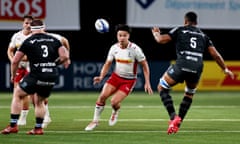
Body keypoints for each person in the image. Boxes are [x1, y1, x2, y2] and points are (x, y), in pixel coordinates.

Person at [151, 11, 235, 134]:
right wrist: (225, 69)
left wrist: (156, 33)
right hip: (197, 67)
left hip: (182, 64)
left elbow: (161, 40)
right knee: (189, 94)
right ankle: (177, 125)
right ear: (196, 23)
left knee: (162, 87)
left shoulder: (180, 29)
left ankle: (173, 116)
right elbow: (215, 55)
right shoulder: (203, 35)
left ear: (185, 21)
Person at [1, 19, 70, 135]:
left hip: (36, 74)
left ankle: (13, 125)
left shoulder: (28, 41)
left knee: (18, 94)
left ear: (32, 30)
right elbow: (65, 56)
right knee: (39, 101)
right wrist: (54, 64)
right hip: (51, 75)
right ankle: (38, 128)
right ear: (44, 28)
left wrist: (13, 75)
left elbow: (15, 61)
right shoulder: (54, 40)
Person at [85, 24, 153, 131]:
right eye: (120, 35)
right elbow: (107, 64)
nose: (122, 38)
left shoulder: (135, 49)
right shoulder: (114, 48)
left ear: (128, 36)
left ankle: (115, 111)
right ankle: (95, 121)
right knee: (102, 96)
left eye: (124, 35)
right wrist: (101, 76)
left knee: (114, 102)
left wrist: (147, 82)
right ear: (117, 36)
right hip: (116, 77)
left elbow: (145, 65)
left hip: (129, 81)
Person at [6, 15, 53, 128]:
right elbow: (10, 50)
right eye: (26, 23)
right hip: (20, 68)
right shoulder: (17, 36)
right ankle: (22, 118)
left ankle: (46, 115)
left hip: (32, 67)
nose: (27, 25)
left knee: (35, 95)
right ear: (23, 24)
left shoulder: (35, 37)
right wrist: (13, 60)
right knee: (17, 92)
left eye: (30, 24)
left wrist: (18, 59)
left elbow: (29, 57)